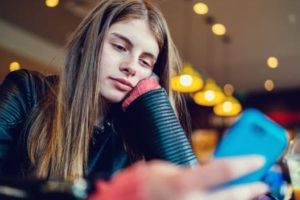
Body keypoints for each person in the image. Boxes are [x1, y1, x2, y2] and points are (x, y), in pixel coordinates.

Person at [0, 0, 269, 199]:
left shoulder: (134, 130)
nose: (131, 67)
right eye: (119, 47)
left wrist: (153, 100)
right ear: (88, 45)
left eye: (145, 61)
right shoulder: (27, 91)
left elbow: (192, 191)